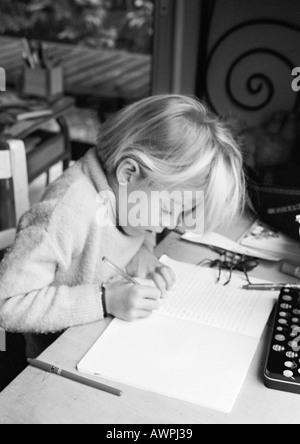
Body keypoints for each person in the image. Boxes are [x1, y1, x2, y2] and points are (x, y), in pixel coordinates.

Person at [0, 95, 245, 356]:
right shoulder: (67, 213)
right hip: (53, 361)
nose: (171, 225)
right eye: (169, 210)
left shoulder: (131, 199)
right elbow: (7, 303)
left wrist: (143, 252)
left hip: (101, 341)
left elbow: (143, 228)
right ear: (128, 173)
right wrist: (104, 299)